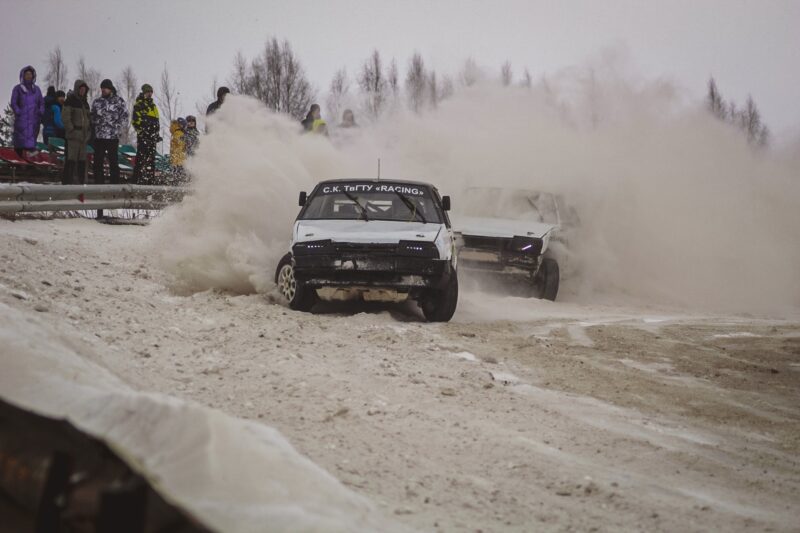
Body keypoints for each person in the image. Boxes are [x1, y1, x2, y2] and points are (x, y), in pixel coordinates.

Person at [90, 79, 129, 184]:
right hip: (99, 137)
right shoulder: (97, 102)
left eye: (105, 88)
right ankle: (99, 184)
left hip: (112, 137)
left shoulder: (119, 101)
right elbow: (92, 117)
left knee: (113, 161)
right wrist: (96, 122)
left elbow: (125, 117)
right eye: (102, 88)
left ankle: (114, 184)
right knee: (98, 162)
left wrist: (118, 128)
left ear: (110, 89)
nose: (103, 90)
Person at [9, 66, 44, 156]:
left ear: (33, 76)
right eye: (27, 74)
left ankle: (29, 162)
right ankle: (19, 160)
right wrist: (18, 112)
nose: (29, 76)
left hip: (34, 120)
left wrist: (40, 111)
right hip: (22, 120)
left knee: (31, 142)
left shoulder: (36, 90)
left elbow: (41, 103)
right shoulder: (18, 88)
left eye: (30, 74)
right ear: (23, 75)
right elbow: (13, 102)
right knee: (20, 143)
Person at [61, 79, 91, 184]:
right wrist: (71, 129)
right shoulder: (70, 100)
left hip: (83, 135)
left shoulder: (85, 103)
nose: (82, 91)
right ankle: (67, 182)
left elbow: (88, 118)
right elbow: (65, 117)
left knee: (82, 160)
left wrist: (88, 132)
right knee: (71, 159)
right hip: (74, 135)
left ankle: (81, 182)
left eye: (84, 89)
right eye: (81, 89)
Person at [131, 84, 160, 184]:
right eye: (148, 92)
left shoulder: (153, 106)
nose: (150, 94)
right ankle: (135, 181)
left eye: (151, 92)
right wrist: (142, 132)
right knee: (140, 160)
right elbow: (135, 121)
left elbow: (156, 121)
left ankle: (150, 183)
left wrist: (156, 134)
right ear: (143, 92)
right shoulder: (139, 104)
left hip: (152, 138)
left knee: (151, 162)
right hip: (144, 137)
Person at [169, 118, 186, 183]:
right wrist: (186, 141)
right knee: (179, 177)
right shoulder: (179, 133)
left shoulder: (175, 133)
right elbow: (180, 143)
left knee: (175, 176)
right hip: (179, 159)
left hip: (175, 159)